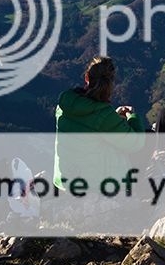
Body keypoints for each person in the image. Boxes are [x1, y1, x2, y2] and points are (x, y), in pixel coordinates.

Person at [53, 57, 146, 193]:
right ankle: (139, 191)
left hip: (64, 180)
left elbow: (88, 126)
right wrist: (132, 117)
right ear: (111, 83)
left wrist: (114, 118)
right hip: (93, 184)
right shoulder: (104, 115)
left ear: (86, 77)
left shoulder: (64, 106)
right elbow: (136, 144)